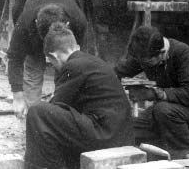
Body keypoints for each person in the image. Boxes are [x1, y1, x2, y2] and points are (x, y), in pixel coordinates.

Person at [25, 22, 133, 169]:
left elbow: (54, 108)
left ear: (54, 56)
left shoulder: (73, 66)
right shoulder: (91, 60)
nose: (53, 66)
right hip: (118, 134)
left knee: (37, 113)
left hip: (104, 134)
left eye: (51, 62)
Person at [115, 26, 189, 159]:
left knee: (162, 110)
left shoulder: (183, 54)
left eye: (146, 62)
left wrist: (154, 93)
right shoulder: (146, 55)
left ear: (162, 52)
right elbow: (119, 71)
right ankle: (161, 147)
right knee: (128, 126)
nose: (142, 65)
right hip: (171, 109)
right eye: (141, 62)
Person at [7, 0, 87, 118]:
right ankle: (34, 119)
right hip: (32, 23)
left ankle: (61, 116)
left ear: (66, 25)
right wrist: (18, 97)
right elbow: (15, 58)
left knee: (66, 66)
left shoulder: (78, 20)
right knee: (33, 67)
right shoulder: (25, 22)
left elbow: (78, 61)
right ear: (37, 22)